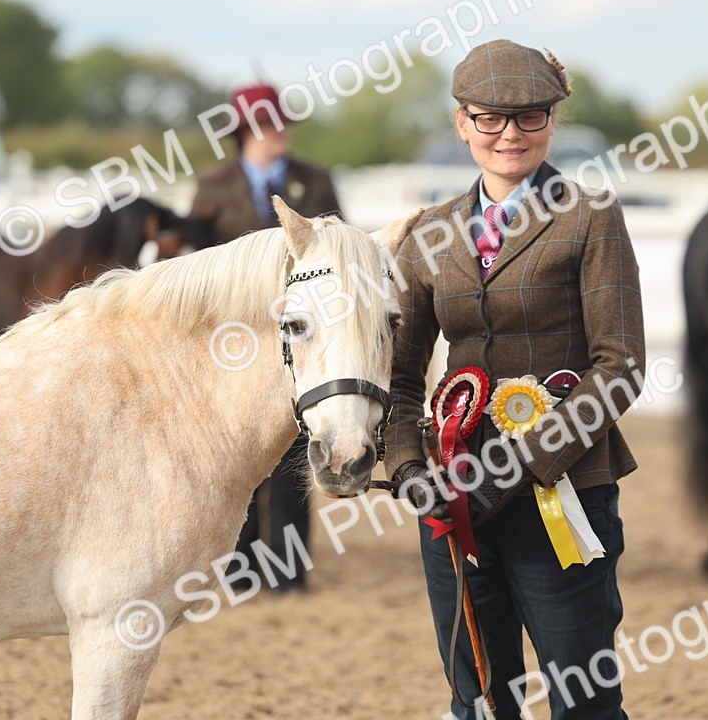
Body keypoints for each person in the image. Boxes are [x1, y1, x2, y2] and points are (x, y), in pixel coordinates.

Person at [386, 40, 645, 718]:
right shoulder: (428, 235)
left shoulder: (590, 217)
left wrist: (518, 466)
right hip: (452, 499)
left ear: (552, 121)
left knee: (583, 698)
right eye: (491, 118)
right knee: (477, 699)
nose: (511, 134)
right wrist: (410, 467)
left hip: (560, 495)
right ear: (463, 122)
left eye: (530, 116)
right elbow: (403, 376)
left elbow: (620, 367)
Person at [190, 83, 342, 593]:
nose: (282, 132)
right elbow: (195, 262)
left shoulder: (316, 181)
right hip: (237, 340)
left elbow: (337, 247)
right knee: (242, 450)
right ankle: (238, 568)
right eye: (271, 123)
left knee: (295, 447)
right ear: (246, 132)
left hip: (301, 337)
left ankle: (288, 569)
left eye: (283, 122)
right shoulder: (212, 185)